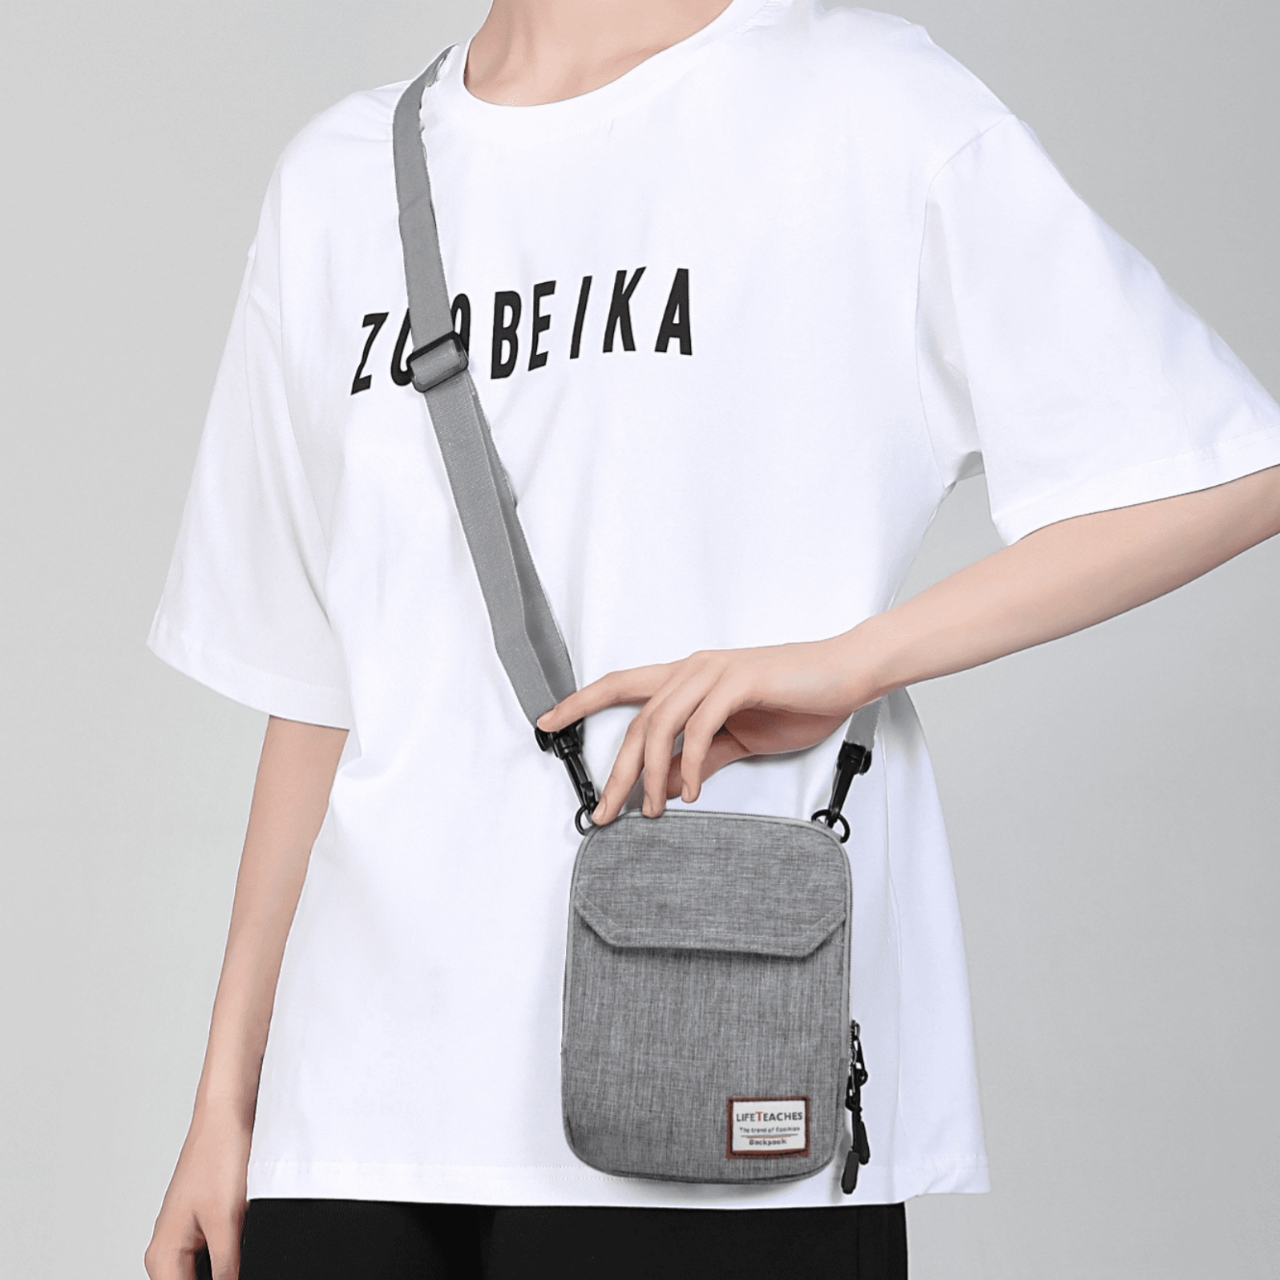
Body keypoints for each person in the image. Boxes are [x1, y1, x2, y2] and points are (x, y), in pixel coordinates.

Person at [142, 0, 1280, 1277]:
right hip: (350, 1128)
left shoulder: (859, 103)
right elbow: (321, 689)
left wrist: (851, 661)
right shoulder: (338, 177)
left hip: (712, 1068)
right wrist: (224, 1102)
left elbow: (1226, 469)